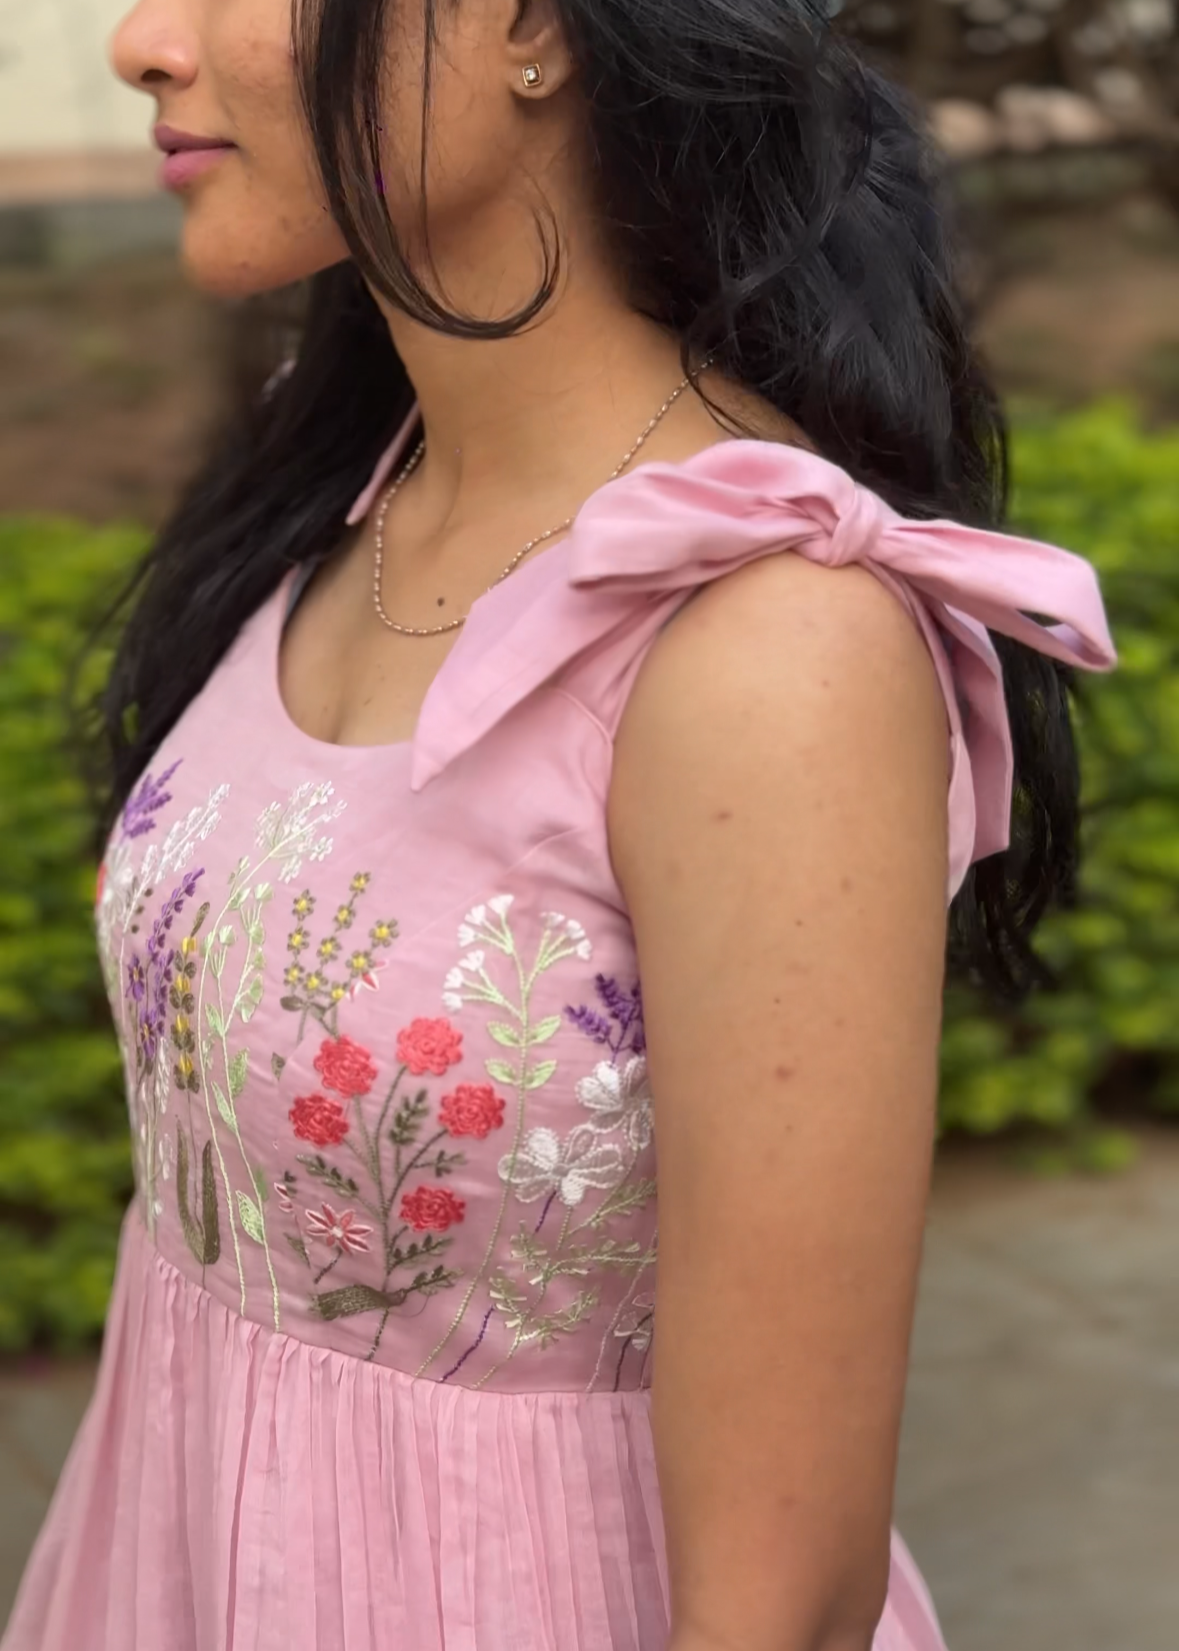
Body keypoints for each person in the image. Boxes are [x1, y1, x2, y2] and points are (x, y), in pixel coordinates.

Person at [3, 0, 1115, 1645]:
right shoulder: (354, 497)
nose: (141, 44)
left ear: (532, 26)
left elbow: (783, 1600)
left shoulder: (763, 645)